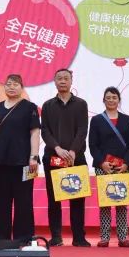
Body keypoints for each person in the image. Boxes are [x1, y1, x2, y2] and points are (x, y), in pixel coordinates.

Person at [0, 74, 40, 241]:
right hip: (0, 161)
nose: (11, 87)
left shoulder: (30, 107)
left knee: (24, 202)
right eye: (8, 84)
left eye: (15, 84)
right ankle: (1, 239)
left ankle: (24, 238)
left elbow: (35, 132)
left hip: (25, 163)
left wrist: (34, 157)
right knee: (1, 202)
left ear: (22, 87)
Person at [41, 68, 90, 247]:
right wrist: (57, 148)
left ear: (71, 81)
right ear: (55, 82)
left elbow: (82, 130)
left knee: (77, 198)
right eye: (59, 78)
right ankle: (56, 236)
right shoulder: (47, 105)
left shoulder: (81, 104)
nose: (62, 81)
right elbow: (44, 130)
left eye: (66, 78)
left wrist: (73, 151)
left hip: (76, 158)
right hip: (53, 157)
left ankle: (79, 237)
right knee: (54, 199)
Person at [88, 86, 129, 247]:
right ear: (103, 100)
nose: (111, 100)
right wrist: (102, 162)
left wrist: (126, 164)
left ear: (119, 100)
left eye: (114, 97)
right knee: (105, 203)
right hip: (103, 166)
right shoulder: (96, 120)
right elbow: (93, 145)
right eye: (108, 97)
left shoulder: (126, 120)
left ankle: (123, 237)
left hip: (122, 167)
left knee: (122, 202)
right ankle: (104, 237)